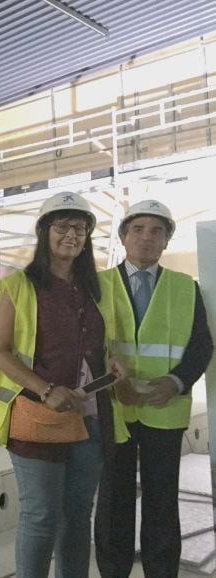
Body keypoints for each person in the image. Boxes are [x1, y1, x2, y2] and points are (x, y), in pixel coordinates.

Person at [0, 192, 129, 578]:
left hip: (91, 418)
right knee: (41, 516)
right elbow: (0, 352)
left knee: (78, 515)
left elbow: (107, 341)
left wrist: (113, 361)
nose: (73, 235)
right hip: (38, 416)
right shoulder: (19, 285)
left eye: (81, 228)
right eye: (63, 226)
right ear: (44, 231)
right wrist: (46, 390)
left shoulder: (98, 286)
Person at [94, 199, 213, 578]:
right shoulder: (98, 286)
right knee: (115, 496)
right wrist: (112, 383)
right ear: (123, 238)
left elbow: (200, 345)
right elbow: (85, 346)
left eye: (156, 231)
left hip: (166, 407)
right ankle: (113, 570)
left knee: (163, 497)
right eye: (138, 229)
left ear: (166, 242)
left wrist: (177, 381)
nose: (147, 237)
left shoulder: (184, 288)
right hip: (116, 406)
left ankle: (162, 571)